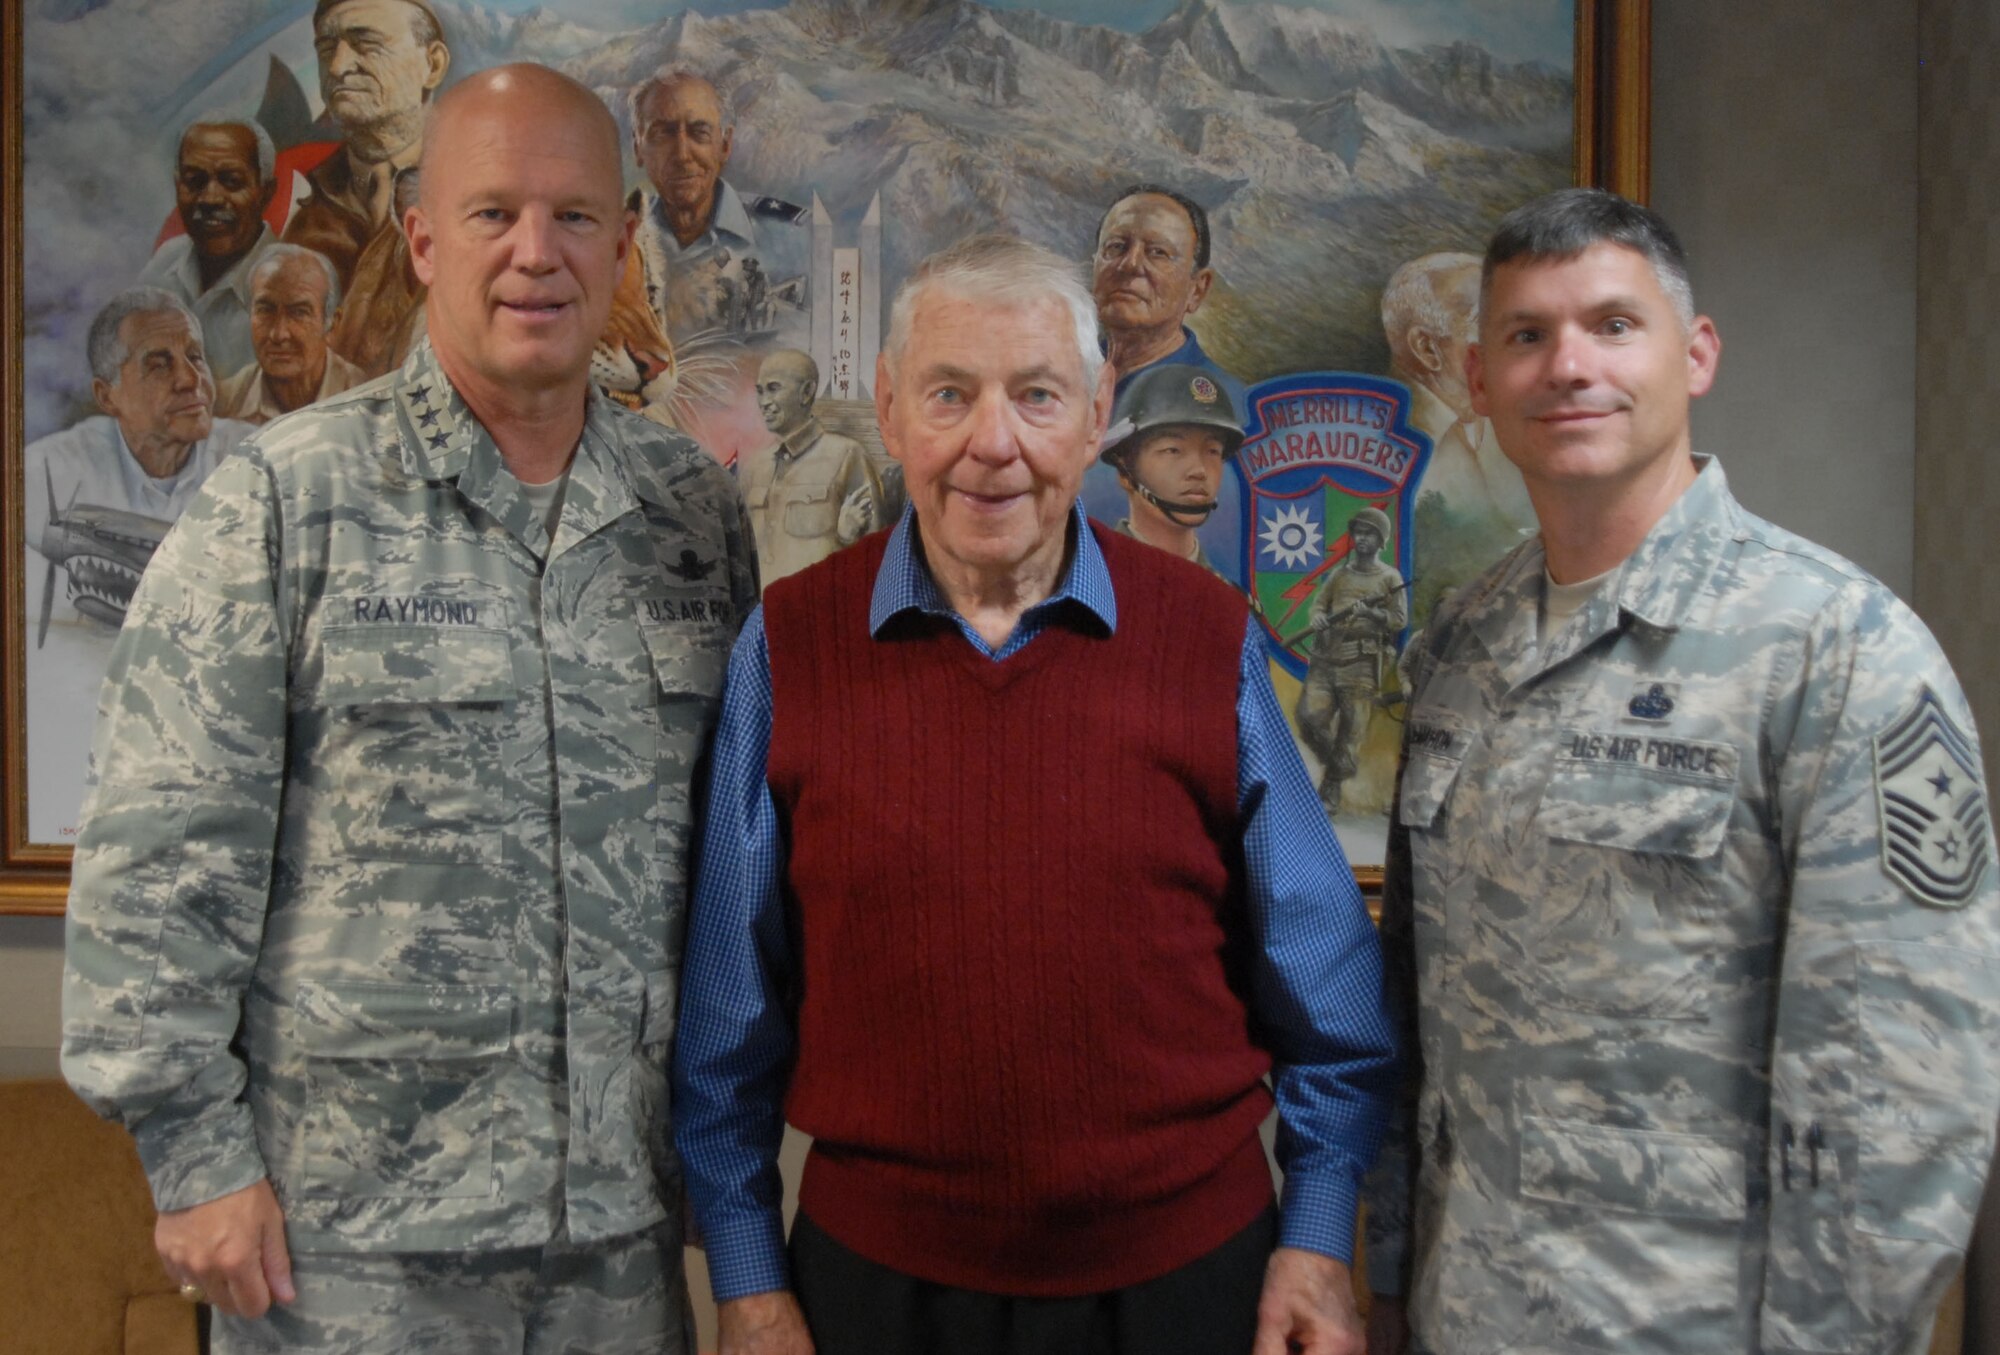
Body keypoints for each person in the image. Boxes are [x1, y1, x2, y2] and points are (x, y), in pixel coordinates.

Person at [61, 63, 758, 1355]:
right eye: (493, 214)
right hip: (344, 1251)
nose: (535, 255)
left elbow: (730, 865)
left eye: (575, 217)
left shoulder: (690, 514)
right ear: (423, 241)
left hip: (619, 1241)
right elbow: (157, 856)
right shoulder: (284, 498)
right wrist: (193, 1152)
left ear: (624, 240)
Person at [674, 234, 1397, 1355]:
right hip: (873, 1295)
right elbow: (727, 1015)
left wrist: (1315, 1237)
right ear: (890, 404)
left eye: (1037, 395)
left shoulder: (1204, 639)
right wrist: (747, 1279)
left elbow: (1325, 983)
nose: (992, 445)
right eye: (950, 394)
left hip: (1186, 1284)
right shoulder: (790, 646)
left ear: (1098, 408)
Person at [1364, 188, 2000, 1355]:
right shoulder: (1459, 644)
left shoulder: (1838, 648)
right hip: (1471, 1312)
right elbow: (1421, 1026)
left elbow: (1904, 1097)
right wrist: (1395, 1279)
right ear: (1476, 374)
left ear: (1693, 353)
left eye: (1613, 324)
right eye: (1526, 334)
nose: (1568, 365)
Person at [25, 288, 254, 636]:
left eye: (196, 357)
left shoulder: (254, 459)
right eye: (159, 365)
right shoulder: (48, 472)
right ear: (107, 396)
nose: (190, 380)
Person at [284, 0, 449, 377]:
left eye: (367, 44)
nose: (338, 67)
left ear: (433, 65)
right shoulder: (302, 216)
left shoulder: (480, 196)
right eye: (327, 49)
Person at [625, 68, 807, 345]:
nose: (683, 155)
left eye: (700, 133)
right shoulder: (618, 240)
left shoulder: (796, 239)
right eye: (663, 134)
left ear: (725, 144)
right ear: (638, 147)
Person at [1380, 251, 1535, 540]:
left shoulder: (1521, 425)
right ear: (1427, 348)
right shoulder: (1371, 446)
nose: (1513, 341)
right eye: (1485, 322)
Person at [137, 116, 281, 380]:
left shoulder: (294, 283)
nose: (210, 198)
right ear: (177, 185)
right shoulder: (165, 263)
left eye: (232, 181)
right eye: (195, 181)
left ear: (266, 192)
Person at [1091, 183, 1245, 409]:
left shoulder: (1223, 404)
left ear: (1197, 289)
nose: (1130, 264)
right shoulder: (1067, 371)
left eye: (1158, 253)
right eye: (1116, 247)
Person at [740, 347, 884, 586]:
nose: (764, 402)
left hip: (823, 614)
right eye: (760, 391)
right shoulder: (754, 467)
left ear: (806, 392)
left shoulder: (847, 456)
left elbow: (875, 556)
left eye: (774, 389)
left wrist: (846, 539)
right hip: (761, 617)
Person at [1294, 507, 1404, 818]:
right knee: (1308, 717)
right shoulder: (1339, 575)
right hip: (1327, 657)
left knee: (1351, 731)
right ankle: (1339, 765)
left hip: (1362, 661)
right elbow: (1319, 603)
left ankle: (1330, 790)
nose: (1362, 538)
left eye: (1370, 533)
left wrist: (1370, 613)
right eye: (1359, 532)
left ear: (1381, 539)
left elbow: (1398, 620)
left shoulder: (1390, 577)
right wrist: (1316, 617)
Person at [1098, 361, 1241, 579]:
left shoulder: (1231, 601)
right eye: (1173, 450)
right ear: (1124, 472)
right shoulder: (1094, 581)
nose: (1199, 470)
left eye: (1212, 451)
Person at [214, 245, 365, 424]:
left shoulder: (365, 397)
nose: (279, 335)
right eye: (265, 311)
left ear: (332, 324)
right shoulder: (223, 404)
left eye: (299, 313)